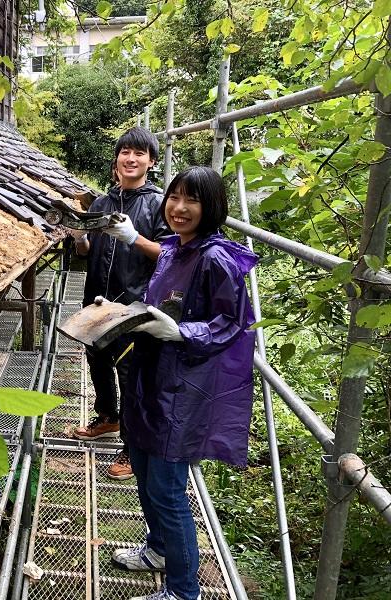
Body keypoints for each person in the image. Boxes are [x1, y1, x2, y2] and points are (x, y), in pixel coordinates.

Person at [111, 166, 258, 600]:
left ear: (210, 206)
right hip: (150, 378)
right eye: (174, 197)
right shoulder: (176, 249)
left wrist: (182, 333)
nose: (178, 208)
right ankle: (157, 549)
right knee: (141, 467)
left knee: (168, 489)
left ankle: (183, 590)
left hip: (183, 388)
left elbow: (232, 323)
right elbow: (162, 304)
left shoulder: (216, 258)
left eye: (191, 200)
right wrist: (122, 313)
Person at [72, 127, 171, 480]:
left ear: (151, 161)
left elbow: (170, 254)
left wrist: (134, 237)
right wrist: (80, 237)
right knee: (96, 359)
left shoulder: (159, 204)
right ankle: (107, 417)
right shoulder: (102, 203)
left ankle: (132, 449)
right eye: (125, 152)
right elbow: (86, 253)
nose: (131, 158)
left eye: (139, 153)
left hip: (134, 307)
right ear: (116, 159)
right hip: (97, 299)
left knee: (131, 377)